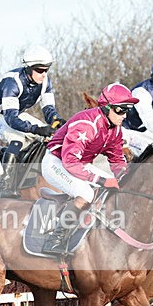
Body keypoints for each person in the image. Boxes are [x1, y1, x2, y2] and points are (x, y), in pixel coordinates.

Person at [40, 83, 137, 256]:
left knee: (114, 185)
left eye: (127, 110)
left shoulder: (116, 130)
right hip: (56, 161)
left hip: (79, 164)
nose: (124, 115)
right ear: (106, 108)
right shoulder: (87, 124)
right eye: (121, 110)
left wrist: (130, 179)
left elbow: (117, 162)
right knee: (86, 193)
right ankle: (55, 240)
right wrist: (100, 180)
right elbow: (69, 162)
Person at [0, 45, 66, 197]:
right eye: (40, 70)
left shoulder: (45, 83)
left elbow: (49, 110)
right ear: (28, 68)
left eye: (46, 70)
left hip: (16, 114)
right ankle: (5, 185)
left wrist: (57, 121)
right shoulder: (13, 82)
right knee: (17, 140)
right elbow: (11, 119)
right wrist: (36, 129)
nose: (44, 74)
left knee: (50, 135)